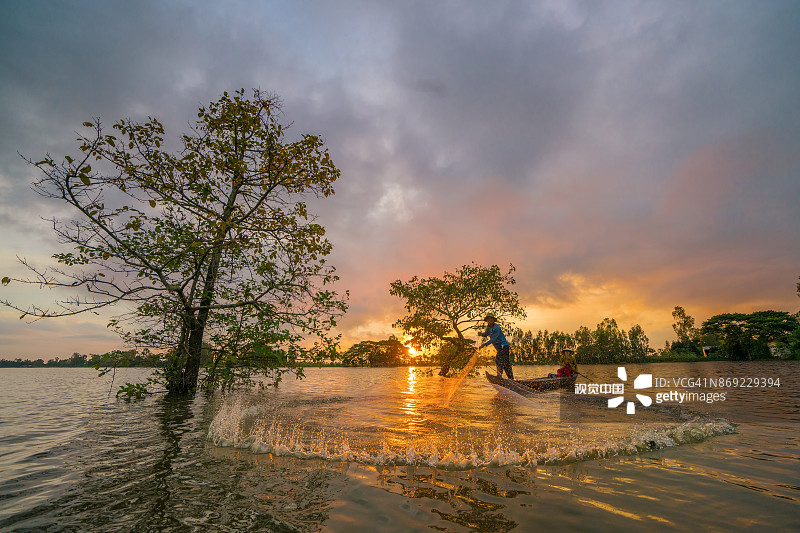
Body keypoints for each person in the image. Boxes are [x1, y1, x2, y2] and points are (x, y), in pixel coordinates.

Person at [478, 314, 514, 380]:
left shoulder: (496, 328)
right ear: (487, 320)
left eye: (491, 319)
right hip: (498, 346)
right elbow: (486, 334)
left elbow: (493, 339)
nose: (489, 320)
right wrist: (481, 334)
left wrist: (485, 344)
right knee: (503, 361)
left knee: (501, 360)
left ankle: (505, 377)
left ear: (493, 320)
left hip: (503, 345)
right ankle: (508, 378)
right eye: (488, 319)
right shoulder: (488, 327)